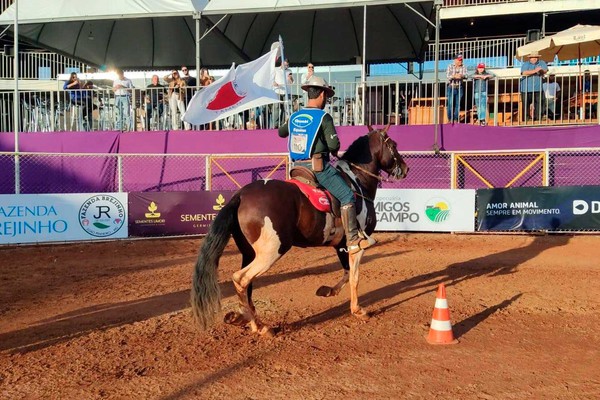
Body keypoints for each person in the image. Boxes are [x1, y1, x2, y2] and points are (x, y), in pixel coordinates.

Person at [278, 76, 371, 255]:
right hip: (318, 168)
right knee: (347, 196)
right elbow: (334, 146)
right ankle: (352, 239)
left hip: (297, 168)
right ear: (321, 94)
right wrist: (332, 148)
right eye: (326, 96)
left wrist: (295, 122)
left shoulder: (295, 116)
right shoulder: (324, 117)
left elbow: (282, 132)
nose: (326, 100)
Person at [520, 51, 547, 123]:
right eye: (533, 57)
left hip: (538, 87)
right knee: (526, 104)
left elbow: (545, 70)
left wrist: (540, 71)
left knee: (540, 103)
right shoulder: (525, 64)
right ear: (529, 58)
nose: (534, 59)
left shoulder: (542, 62)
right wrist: (535, 71)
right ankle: (526, 119)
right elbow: (523, 72)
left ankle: (538, 118)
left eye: (536, 57)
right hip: (526, 88)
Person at [445, 53, 467, 123]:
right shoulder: (450, 66)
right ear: (455, 60)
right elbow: (448, 76)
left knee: (458, 104)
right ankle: (450, 119)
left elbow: (466, 75)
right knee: (450, 104)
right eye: (459, 60)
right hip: (451, 87)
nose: (460, 61)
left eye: (461, 60)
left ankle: (455, 118)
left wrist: (461, 76)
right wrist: (454, 76)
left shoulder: (464, 67)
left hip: (460, 87)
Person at [272, 58, 294, 128]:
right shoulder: (276, 69)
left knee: (286, 108)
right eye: (285, 65)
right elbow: (271, 78)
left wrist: (290, 78)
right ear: (281, 63)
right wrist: (274, 83)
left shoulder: (289, 71)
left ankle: (284, 124)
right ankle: (275, 124)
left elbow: (292, 82)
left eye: (287, 65)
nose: (286, 67)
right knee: (276, 107)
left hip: (286, 92)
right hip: (277, 91)